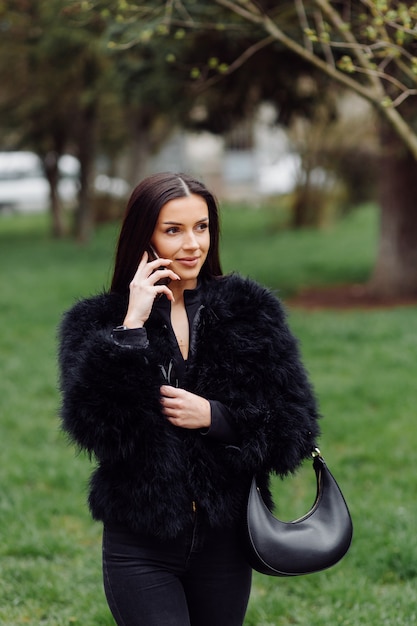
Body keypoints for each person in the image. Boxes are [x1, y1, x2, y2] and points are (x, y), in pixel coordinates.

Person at [58, 171, 320, 626]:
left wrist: (215, 417)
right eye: (173, 230)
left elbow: (294, 427)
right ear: (144, 236)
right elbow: (95, 428)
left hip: (227, 539)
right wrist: (131, 330)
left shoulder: (249, 311)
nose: (193, 244)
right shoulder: (98, 321)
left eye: (201, 227)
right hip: (141, 542)